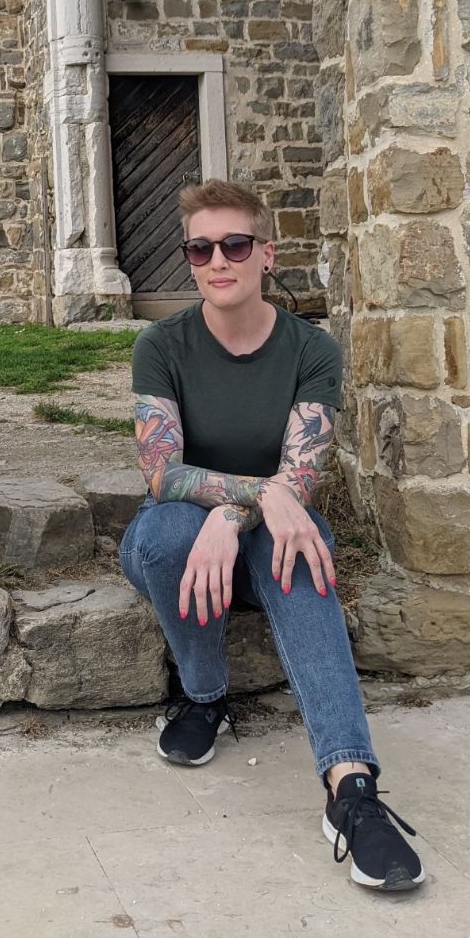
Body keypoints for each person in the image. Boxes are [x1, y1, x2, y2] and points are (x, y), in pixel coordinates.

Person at [118, 179, 425, 893]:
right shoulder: (161, 344)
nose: (216, 260)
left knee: (301, 558)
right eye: (200, 247)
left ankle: (351, 789)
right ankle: (203, 694)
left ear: (266, 253)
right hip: (177, 531)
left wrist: (243, 515)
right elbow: (160, 473)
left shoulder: (309, 349)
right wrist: (245, 501)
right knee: (167, 537)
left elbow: (303, 475)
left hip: (267, 536)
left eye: (234, 244)